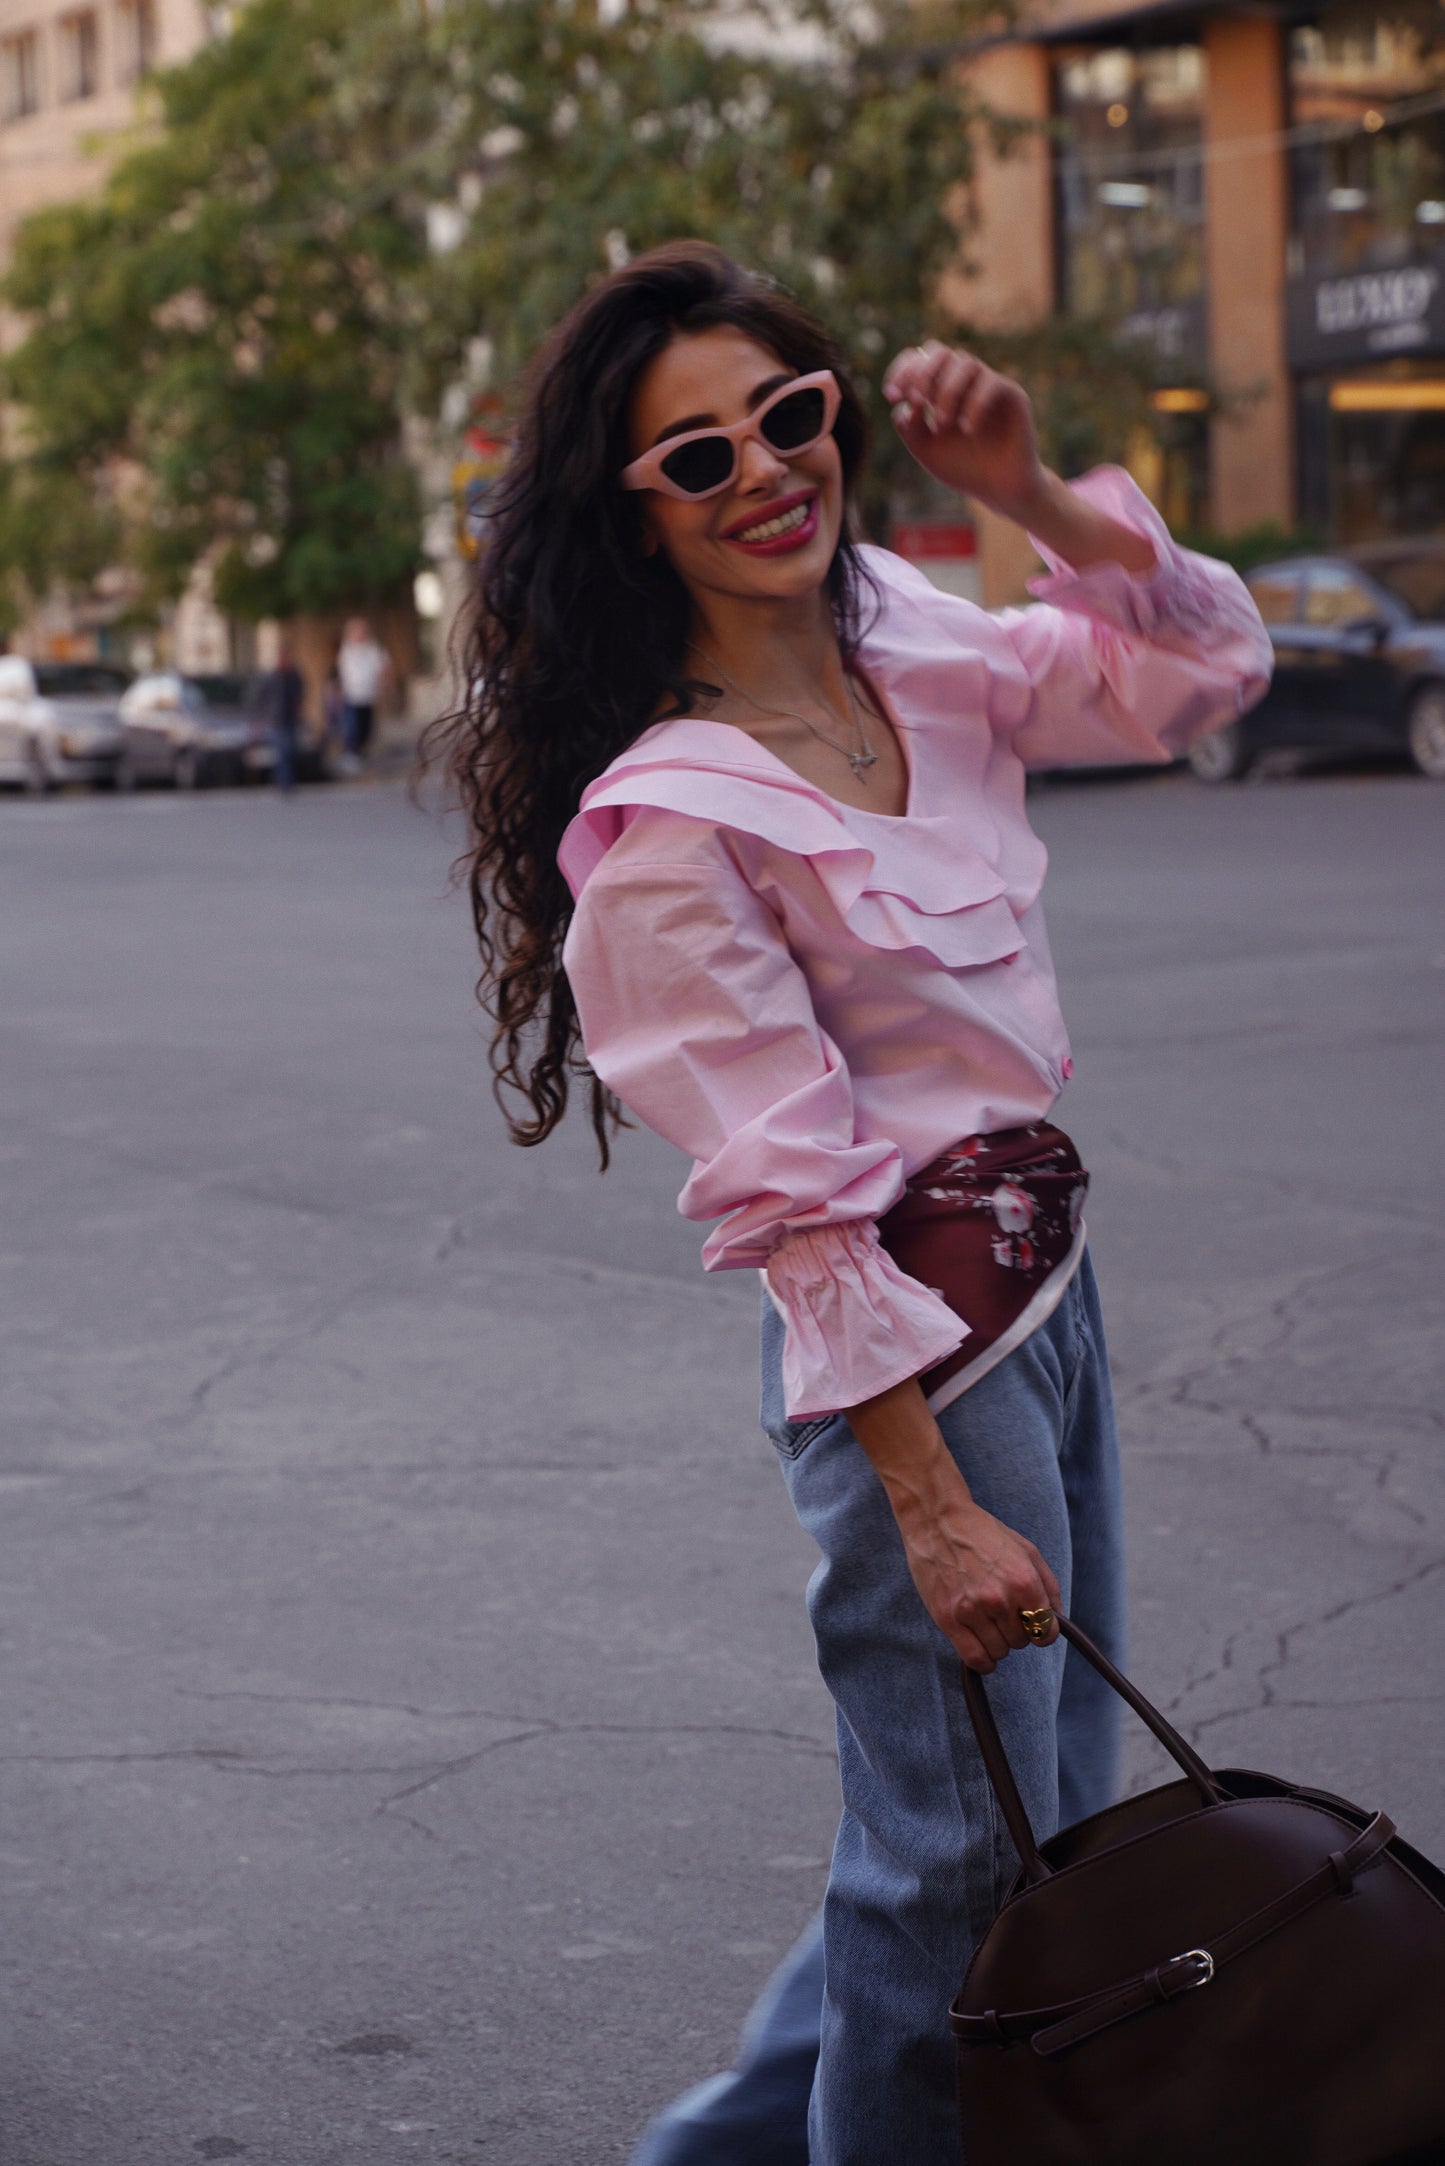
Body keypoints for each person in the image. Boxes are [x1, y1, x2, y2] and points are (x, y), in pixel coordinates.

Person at [434, 243, 1270, 2165]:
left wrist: (1032, 493)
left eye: (786, 415)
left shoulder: (914, 639)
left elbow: (1197, 670)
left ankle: (715, 2149)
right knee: (960, 1865)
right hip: (916, 1363)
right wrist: (932, 1501)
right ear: (635, 517)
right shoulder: (676, 817)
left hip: (1049, 1298)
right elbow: (793, 1203)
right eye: (695, 458)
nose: (762, 472)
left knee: (1011, 1831)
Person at [336, 616, 391, 762]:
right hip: (352, 696)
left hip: (368, 696)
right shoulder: (347, 649)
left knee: (366, 728)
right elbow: (343, 673)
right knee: (352, 727)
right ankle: (351, 754)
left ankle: (361, 752)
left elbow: (384, 667)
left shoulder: (373, 649)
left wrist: (385, 685)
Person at [258, 638, 306, 795]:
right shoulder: (272, 676)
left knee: (290, 751)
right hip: (276, 720)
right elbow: (263, 697)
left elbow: (300, 694)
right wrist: (264, 715)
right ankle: (284, 782)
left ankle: (284, 780)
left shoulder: (294, 675)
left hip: (290, 719)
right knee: (281, 752)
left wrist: (299, 709)